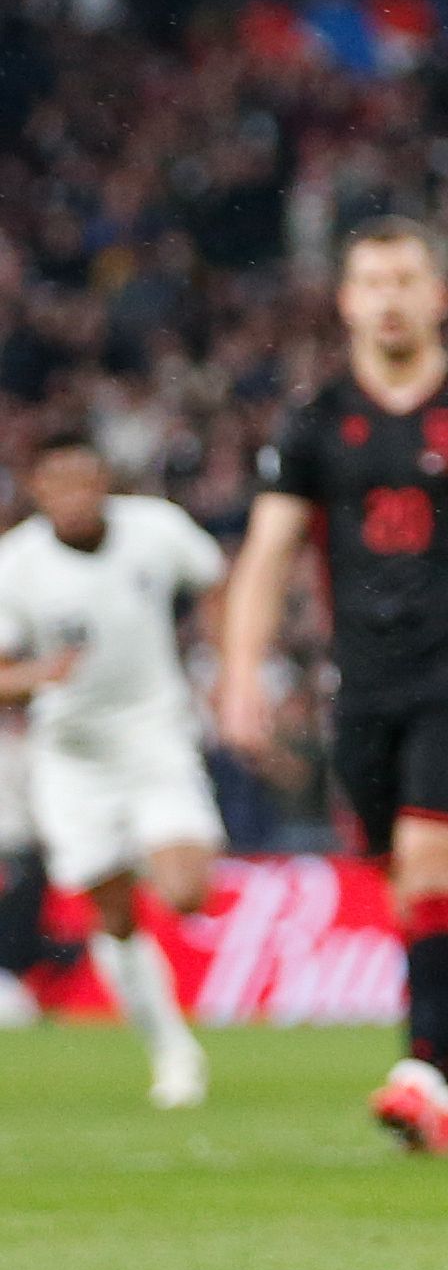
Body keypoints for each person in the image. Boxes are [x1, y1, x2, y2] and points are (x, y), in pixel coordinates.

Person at [218, 219, 448, 1155]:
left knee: (432, 861)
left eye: (405, 279)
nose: (388, 297)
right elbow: (266, 556)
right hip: (362, 681)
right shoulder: (313, 420)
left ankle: (423, 1067)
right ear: (346, 300)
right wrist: (239, 674)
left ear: (438, 296)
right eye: (371, 281)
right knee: (405, 884)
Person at [0, 433, 223, 1105]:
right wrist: (38, 673)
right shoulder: (17, 565)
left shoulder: (154, 529)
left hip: (155, 734)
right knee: (114, 911)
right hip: (73, 756)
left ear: (104, 481)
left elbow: (215, 579)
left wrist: (218, 668)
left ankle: (146, 852)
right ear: (37, 491)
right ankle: (172, 1051)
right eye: (57, 482)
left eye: (83, 478)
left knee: (185, 890)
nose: (72, 494)